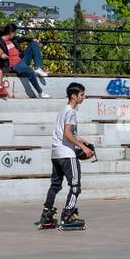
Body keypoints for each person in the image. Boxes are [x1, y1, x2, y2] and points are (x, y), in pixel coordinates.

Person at [39, 82, 94, 230]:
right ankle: (68, 215)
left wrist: (83, 141)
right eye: (82, 94)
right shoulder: (71, 112)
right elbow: (67, 134)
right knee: (75, 186)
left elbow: (66, 133)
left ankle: (47, 214)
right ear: (73, 96)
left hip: (56, 153)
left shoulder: (63, 110)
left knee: (55, 185)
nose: (84, 97)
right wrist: (84, 148)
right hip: (67, 154)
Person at [0, 24, 51, 98]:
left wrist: (32, 39)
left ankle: (38, 67)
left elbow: (23, 39)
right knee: (30, 72)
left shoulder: (13, 39)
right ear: (10, 32)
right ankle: (40, 92)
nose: (15, 34)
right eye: (15, 32)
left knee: (34, 44)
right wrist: (0, 55)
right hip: (15, 65)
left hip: (22, 60)